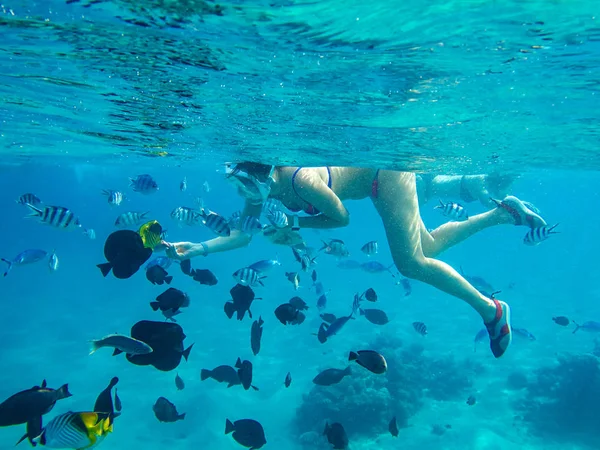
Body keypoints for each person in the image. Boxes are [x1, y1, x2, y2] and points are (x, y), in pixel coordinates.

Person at [164, 164, 547, 358]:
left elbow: (341, 218)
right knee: (424, 249)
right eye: (240, 186)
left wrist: (294, 223)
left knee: (411, 263)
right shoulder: (259, 183)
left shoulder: (300, 181)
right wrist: (197, 248)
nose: (247, 195)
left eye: (249, 186)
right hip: (379, 182)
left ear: (265, 175)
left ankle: (492, 310)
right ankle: (502, 214)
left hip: (386, 176)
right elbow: (242, 233)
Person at [416, 173, 517, 209]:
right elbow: (489, 204)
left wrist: (517, 204)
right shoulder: (480, 184)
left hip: (427, 193)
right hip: (424, 185)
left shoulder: (486, 185)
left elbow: (502, 196)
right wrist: (511, 207)